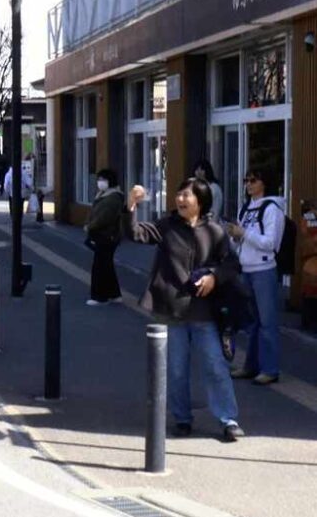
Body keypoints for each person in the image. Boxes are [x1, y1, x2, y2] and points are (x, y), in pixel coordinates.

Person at [126, 179, 244, 441]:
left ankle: (228, 419)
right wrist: (131, 206)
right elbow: (136, 234)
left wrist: (214, 276)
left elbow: (232, 265)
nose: (180, 199)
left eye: (186, 195)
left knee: (215, 365)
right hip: (173, 310)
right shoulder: (167, 226)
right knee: (177, 369)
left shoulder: (215, 231)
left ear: (200, 202)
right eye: (179, 194)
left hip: (204, 312)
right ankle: (182, 418)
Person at [227, 169, 284, 385]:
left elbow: (270, 243)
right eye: (246, 180)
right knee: (252, 323)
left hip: (264, 270)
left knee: (267, 322)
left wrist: (243, 234)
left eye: (253, 180)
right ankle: (251, 366)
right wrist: (234, 236)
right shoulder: (245, 208)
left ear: (264, 183)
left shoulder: (272, 208)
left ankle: (270, 369)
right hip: (247, 269)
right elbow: (241, 242)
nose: (248, 184)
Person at [84, 168, 126, 305]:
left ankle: (99, 296)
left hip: (107, 235)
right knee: (106, 265)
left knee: (99, 266)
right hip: (105, 235)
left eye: (103, 180)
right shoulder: (104, 194)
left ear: (110, 181)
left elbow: (103, 217)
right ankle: (114, 294)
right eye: (99, 179)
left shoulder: (113, 197)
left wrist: (90, 226)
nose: (99, 182)